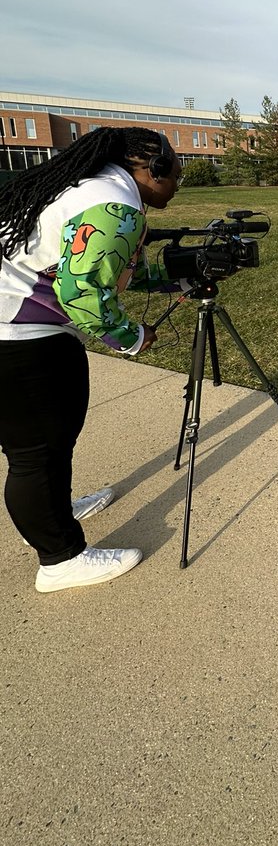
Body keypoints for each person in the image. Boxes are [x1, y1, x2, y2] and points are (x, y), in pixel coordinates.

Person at [0, 127, 183, 592]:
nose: (178, 180)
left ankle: (53, 510)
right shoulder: (111, 203)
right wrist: (134, 337)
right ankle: (59, 559)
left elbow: (97, 267)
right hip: (19, 341)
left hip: (13, 331)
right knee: (34, 455)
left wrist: (168, 278)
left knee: (43, 448)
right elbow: (82, 294)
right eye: (174, 170)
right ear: (152, 167)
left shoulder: (81, 186)